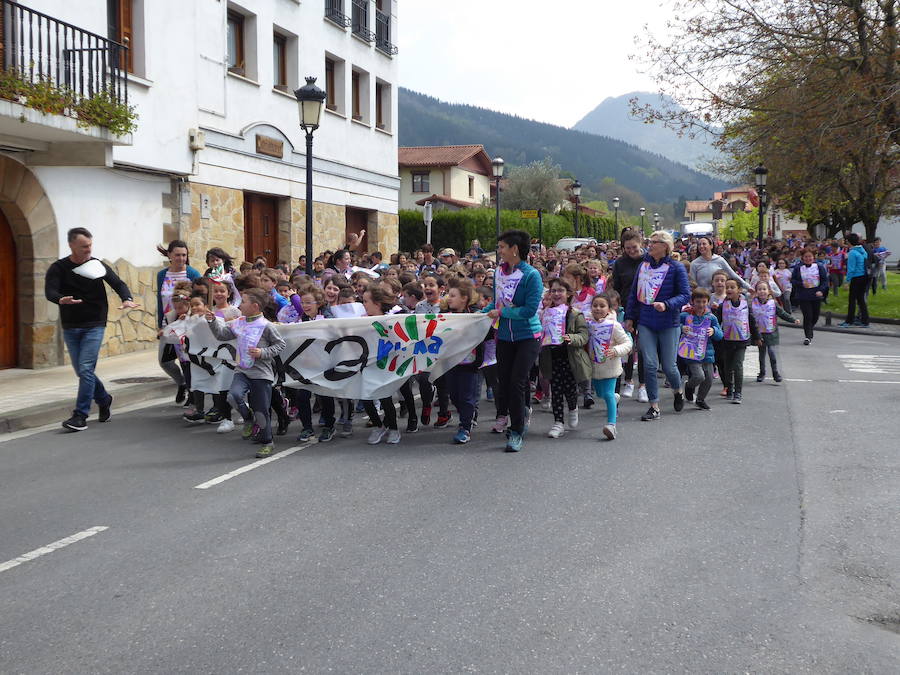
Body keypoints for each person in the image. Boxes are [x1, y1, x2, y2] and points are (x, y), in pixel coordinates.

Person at [45, 227, 140, 431]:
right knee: (82, 371)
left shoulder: (96, 264)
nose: (88, 249)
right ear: (71, 245)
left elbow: (118, 283)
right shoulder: (59, 268)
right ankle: (104, 399)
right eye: (84, 246)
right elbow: (50, 291)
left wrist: (127, 299)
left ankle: (80, 415)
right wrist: (60, 299)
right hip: (71, 325)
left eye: (90, 245)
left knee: (86, 368)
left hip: (94, 323)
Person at [205, 288, 286, 458]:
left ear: (255, 306)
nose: (240, 305)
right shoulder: (239, 322)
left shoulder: (266, 326)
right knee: (233, 396)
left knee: (261, 411)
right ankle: (248, 418)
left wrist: (262, 352)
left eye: (243, 302)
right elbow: (221, 335)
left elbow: (280, 345)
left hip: (261, 374)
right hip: (242, 370)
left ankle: (267, 442)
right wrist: (212, 321)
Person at [484, 229, 543, 453]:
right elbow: (496, 303)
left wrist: (501, 313)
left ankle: (516, 431)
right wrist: (480, 314)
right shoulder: (498, 273)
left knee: (517, 382)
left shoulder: (532, 276)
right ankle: (521, 412)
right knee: (506, 381)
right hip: (504, 337)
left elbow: (529, 311)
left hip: (528, 336)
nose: (499, 251)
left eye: (501, 247)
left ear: (514, 249)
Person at [624, 230, 690, 421]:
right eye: (649, 241)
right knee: (650, 364)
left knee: (669, 366)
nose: (650, 245)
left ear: (665, 246)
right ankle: (654, 406)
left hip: (669, 323)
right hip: (646, 322)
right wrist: (630, 317)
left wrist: (667, 304)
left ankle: (678, 391)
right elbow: (634, 293)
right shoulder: (643, 266)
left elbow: (685, 295)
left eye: (654, 242)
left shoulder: (676, 268)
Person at [538, 278, 590, 439]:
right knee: (556, 390)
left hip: (570, 357)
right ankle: (558, 422)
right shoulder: (545, 313)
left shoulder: (574, 314)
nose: (556, 294)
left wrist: (572, 338)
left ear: (568, 294)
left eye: (560, 290)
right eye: (553, 290)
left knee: (570, 389)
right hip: (551, 356)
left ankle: (573, 408)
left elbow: (584, 335)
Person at [156, 240, 201, 401]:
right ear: (169, 255)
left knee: (186, 361)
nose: (181, 258)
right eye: (177, 255)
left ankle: (192, 394)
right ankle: (181, 383)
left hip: (187, 324)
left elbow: (200, 299)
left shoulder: (192, 274)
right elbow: (160, 300)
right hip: (168, 324)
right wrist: (160, 324)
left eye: (184, 255)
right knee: (165, 361)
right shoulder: (162, 275)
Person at [443, 278, 484, 444]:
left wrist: (478, 362)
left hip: (469, 364)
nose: (449, 298)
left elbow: (482, 337)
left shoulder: (475, 316)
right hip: (451, 363)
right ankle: (469, 414)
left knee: (467, 397)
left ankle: (465, 427)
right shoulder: (444, 316)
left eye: (453, 295)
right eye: (448, 294)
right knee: (454, 396)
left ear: (464, 298)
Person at [587, 293, 633, 440]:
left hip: (611, 366)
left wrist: (616, 350)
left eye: (602, 306)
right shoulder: (588, 324)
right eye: (595, 305)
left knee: (607, 394)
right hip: (594, 367)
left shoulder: (614, 325)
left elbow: (627, 343)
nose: (598, 308)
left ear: (609, 309)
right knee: (601, 394)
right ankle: (614, 397)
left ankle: (611, 425)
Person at [611, 231, 646, 401]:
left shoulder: (648, 260)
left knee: (644, 347)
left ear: (641, 244)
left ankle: (643, 385)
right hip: (626, 308)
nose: (631, 251)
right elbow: (616, 287)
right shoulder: (620, 263)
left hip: (646, 308)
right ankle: (629, 380)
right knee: (628, 346)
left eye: (634, 247)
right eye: (627, 248)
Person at [714, 279, 759, 404]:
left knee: (738, 365)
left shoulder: (745, 305)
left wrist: (757, 337)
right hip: (727, 341)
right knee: (728, 367)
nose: (729, 289)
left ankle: (738, 392)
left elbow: (752, 321)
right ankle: (729, 388)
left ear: (739, 290)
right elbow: (716, 322)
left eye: (732, 287)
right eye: (727, 287)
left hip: (741, 341)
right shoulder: (722, 306)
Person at [679, 287, 722, 411]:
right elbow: (674, 326)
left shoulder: (711, 318)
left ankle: (700, 400)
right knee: (699, 376)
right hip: (691, 352)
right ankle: (689, 386)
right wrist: (681, 328)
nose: (701, 304)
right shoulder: (685, 315)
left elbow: (720, 335)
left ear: (708, 302)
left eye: (704, 302)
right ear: (692, 301)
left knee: (708, 379)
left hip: (707, 352)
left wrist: (714, 331)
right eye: (698, 301)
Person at [751, 280, 800, 383]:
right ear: (756, 291)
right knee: (761, 354)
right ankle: (762, 373)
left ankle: (775, 372)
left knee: (771, 352)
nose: (762, 291)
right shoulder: (752, 303)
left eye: (764, 289)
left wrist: (793, 320)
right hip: (759, 333)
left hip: (771, 333)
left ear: (769, 291)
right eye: (759, 289)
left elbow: (782, 314)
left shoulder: (773, 303)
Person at [791, 248, 828, 344]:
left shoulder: (819, 267)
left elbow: (825, 280)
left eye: (810, 256)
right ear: (802, 258)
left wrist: (821, 290)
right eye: (806, 257)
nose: (808, 259)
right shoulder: (798, 268)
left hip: (816, 294)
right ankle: (808, 336)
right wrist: (801, 284)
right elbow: (793, 280)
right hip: (803, 295)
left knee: (815, 316)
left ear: (813, 257)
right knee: (808, 316)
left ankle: (809, 328)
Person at [843, 233, 870, 327]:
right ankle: (865, 321)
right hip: (864, 277)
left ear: (849, 242)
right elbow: (866, 258)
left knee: (852, 300)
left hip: (856, 278)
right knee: (861, 300)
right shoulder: (862, 250)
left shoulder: (852, 253)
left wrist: (847, 281)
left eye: (846, 241)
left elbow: (851, 269)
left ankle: (849, 321)